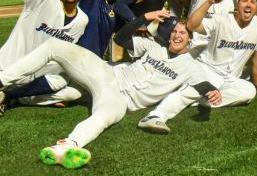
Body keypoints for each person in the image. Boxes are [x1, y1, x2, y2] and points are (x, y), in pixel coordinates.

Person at [0, 10, 220, 169]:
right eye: (174, 31)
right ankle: (3, 82)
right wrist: (144, 18)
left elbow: (204, 85)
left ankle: (67, 145)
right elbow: (121, 38)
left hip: (121, 99)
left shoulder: (191, 67)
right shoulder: (153, 46)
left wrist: (212, 92)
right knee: (54, 47)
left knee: (99, 112)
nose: (177, 35)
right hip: (106, 74)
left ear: (189, 40)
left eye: (182, 33)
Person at [137, 0, 257, 134]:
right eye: (244, 1)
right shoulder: (221, 19)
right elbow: (192, 25)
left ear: (256, 7)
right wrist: (209, 2)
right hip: (206, 68)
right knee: (194, 89)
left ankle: (195, 98)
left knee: (249, 91)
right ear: (238, 5)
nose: (248, 4)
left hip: (230, 79)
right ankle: (155, 116)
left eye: (252, 2)